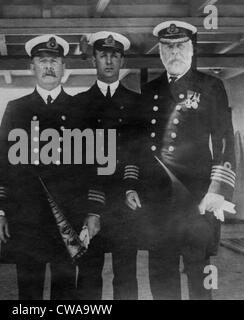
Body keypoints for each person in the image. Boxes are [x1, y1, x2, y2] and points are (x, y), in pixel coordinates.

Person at [0, 34, 103, 300]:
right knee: (29, 291)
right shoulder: (16, 109)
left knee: (65, 290)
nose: (48, 67)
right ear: (32, 68)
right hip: (27, 217)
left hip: (68, 215)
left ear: (64, 69)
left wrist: (94, 210)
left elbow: (96, 165)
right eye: (42, 61)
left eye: (55, 61)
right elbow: (1, 161)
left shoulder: (82, 109)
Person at [133, 20, 236, 299]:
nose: (174, 52)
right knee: (161, 272)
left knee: (198, 271)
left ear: (192, 49)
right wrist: (135, 186)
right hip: (158, 199)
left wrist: (218, 190)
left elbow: (224, 140)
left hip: (197, 197)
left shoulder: (211, 86)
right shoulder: (149, 90)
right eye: (167, 46)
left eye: (180, 45)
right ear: (160, 52)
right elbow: (141, 146)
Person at [75, 31, 142, 300]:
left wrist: (130, 187)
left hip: (125, 204)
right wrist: (91, 207)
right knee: (89, 275)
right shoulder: (78, 104)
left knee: (126, 275)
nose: (109, 61)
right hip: (90, 206)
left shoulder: (137, 104)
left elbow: (139, 154)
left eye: (115, 55)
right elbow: (77, 161)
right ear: (94, 60)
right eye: (103, 55)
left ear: (122, 60)